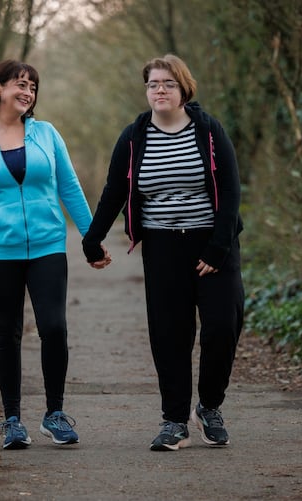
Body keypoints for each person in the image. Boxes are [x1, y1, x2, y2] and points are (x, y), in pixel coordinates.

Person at [83, 54, 244, 451]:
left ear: (183, 89)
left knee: (223, 325)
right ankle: (174, 420)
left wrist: (219, 246)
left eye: (168, 84)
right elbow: (113, 193)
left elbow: (231, 191)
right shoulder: (134, 137)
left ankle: (209, 407)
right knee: (170, 335)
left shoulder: (208, 131)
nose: (160, 90)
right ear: (147, 91)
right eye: (153, 84)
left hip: (212, 244)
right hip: (162, 247)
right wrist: (92, 238)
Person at [0, 60, 104, 450]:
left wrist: (91, 238)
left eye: (33, 87)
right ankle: (12, 420)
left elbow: (69, 187)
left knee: (54, 327)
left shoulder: (47, 135)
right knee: (7, 333)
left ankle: (55, 415)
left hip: (48, 246)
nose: (28, 92)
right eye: (21, 84)